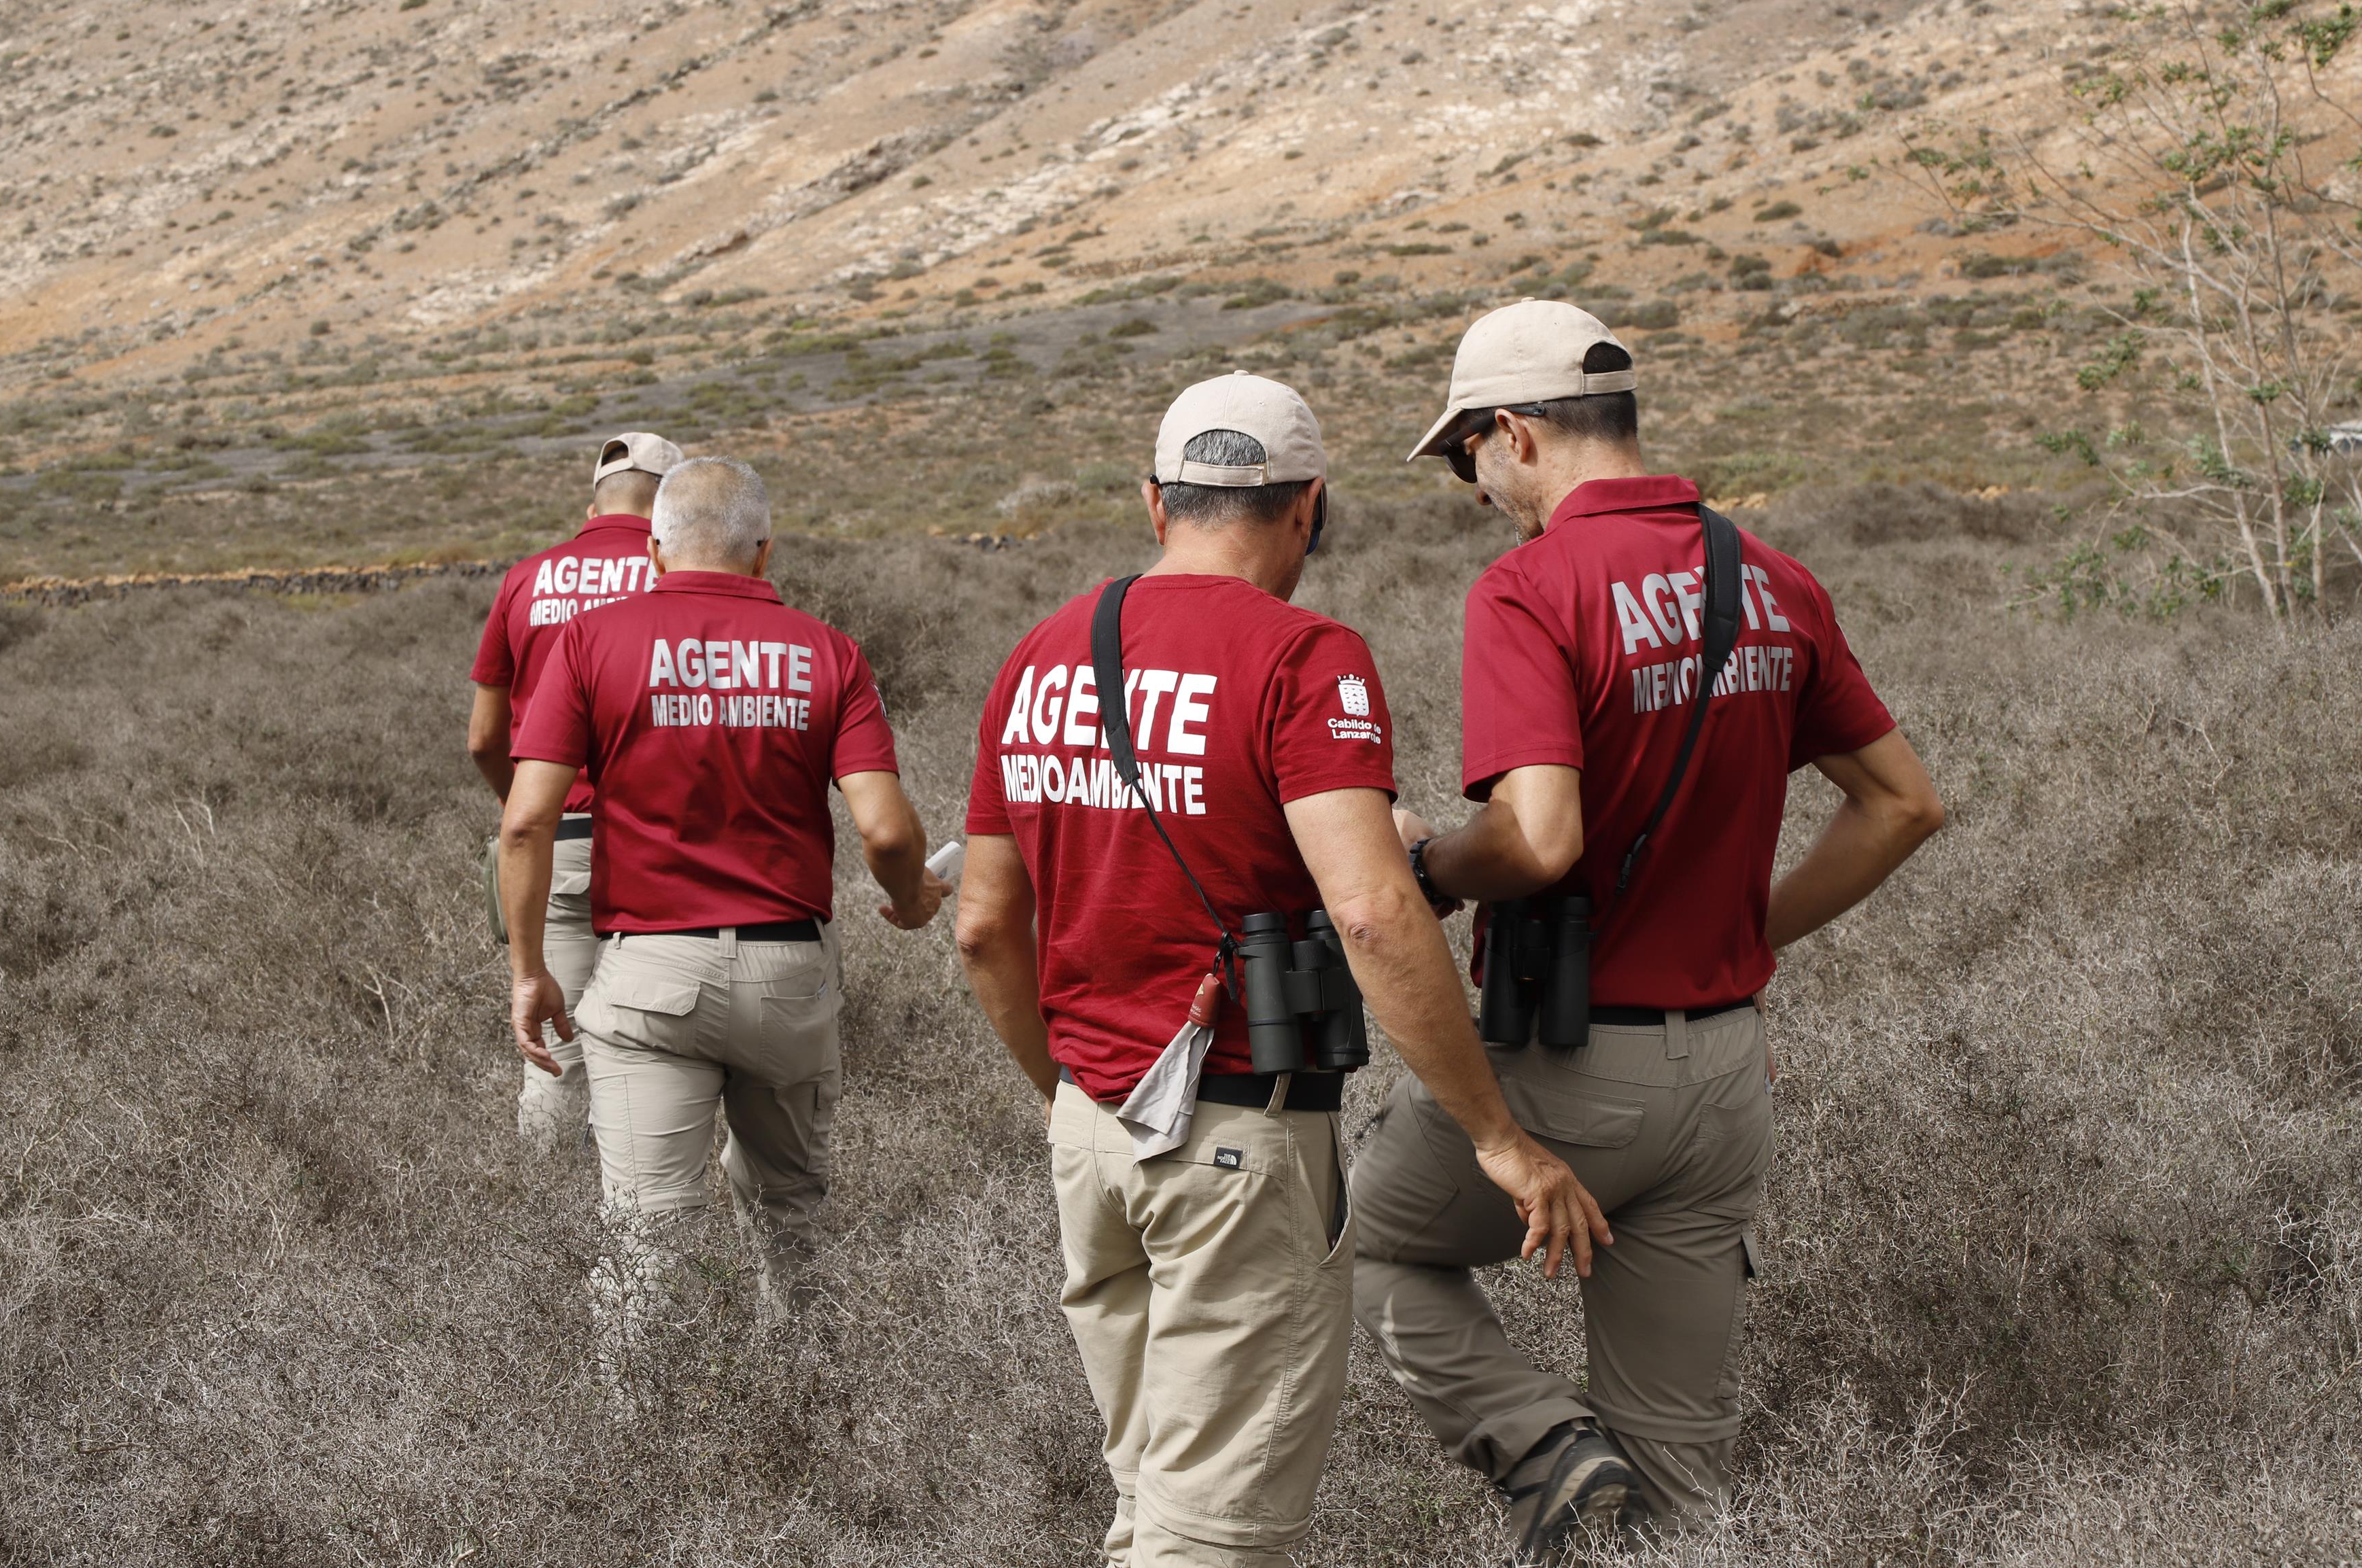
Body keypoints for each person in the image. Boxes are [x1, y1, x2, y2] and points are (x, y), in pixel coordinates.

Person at [953, 372, 1602, 1568]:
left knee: (1154, 1500)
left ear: (1156, 503)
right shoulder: (1306, 658)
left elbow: (985, 926)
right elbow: (1368, 912)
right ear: (1309, 506)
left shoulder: (1039, 652)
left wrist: (1069, 1093)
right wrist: (1498, 1137)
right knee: (1216, 1539)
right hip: (1240, 1131)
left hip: (1095, 1130)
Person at [1349, 300, 1945, 1555]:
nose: (1473, 491)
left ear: (1512, 431)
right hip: (1727, 1075)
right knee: (1682, 1478)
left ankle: (1543, 1444)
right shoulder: (1768, 576)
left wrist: (1426, 863)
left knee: (1355, 1246)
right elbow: (1902, 805)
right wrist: (1748, 934)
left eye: (1466, 457)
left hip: (1572, 1065)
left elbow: (1540, 839)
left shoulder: (1531, 589)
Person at [499, 456, 946, 1384]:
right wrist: (909, 901)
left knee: (646, 1238)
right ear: (764, 548)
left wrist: (530, 966)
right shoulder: (826, 652)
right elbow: (886, 828)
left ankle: (635, 1456)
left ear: (655, 548)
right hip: (787, 975)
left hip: (649, 973)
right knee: (791, 1224)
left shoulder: (591, 642)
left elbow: (527, 818)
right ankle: (808, 1416)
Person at [469, 430, 684, 1151]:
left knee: (554, 1053)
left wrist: (528, 808)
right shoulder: (674, 575)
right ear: (669, 500)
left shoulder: (526, 580)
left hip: (554, 840)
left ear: (594, 497)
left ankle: (538, 1234)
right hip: (660, 847)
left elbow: (482, 737)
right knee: (666, 1053)